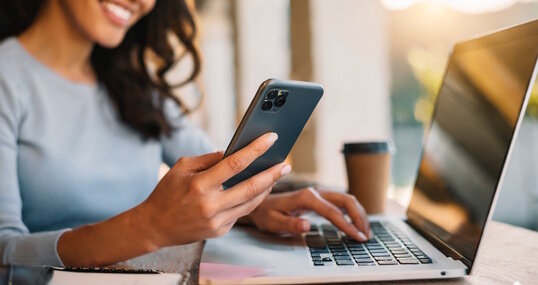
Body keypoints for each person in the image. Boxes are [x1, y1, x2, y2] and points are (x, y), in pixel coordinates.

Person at [0, 0, 370, 267]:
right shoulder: (8, 79)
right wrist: (146, 228)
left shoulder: (136, 87)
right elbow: (5, 253)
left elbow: (215, 171)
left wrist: (254, 206)